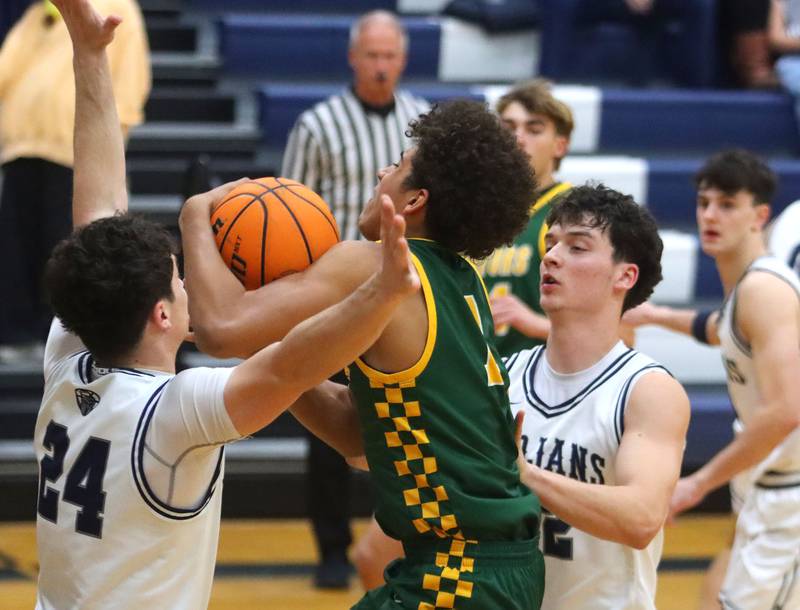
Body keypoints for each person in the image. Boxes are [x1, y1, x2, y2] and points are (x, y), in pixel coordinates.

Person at [34, 1, 419, 608]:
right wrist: (382, 291)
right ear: (162, 316)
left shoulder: (69, 360)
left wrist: (89, 56)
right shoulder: (176, 413)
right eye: (179, 282)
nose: (188, 287)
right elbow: (291, 365)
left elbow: (99, 209)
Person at [180, 100, 545, 609]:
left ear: (415, 199)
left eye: (395, 165)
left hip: (458, 574)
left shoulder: (374, 267)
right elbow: (359, 434)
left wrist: (195, 211)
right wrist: (276, 345)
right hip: (497, 567)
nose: (381, 171)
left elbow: (221, 329)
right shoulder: (464, 284)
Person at [280, 10, 430, 586]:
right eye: (371, 54)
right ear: (352, 57)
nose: (380, 64)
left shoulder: (421, 124)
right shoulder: (318, 125)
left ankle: (403, 531)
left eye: (389, 54)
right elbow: (287, 207)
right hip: (337, 290)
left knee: (397, 419)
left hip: (409, 299)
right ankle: (332, 548)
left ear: (403, 58)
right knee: (332, 421)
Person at [623, 149, 800, 609]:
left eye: (726, 204)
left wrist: (696, 484)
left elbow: (786, 411)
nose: (710, 215)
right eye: (704, 203)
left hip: (791, 495)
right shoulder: (748, 290)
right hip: (769, 487)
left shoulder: (764, 291)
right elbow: (720, 327)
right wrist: (657, 315)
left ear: (759, 215)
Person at [508, 184, 690, 609]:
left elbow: (642, 517)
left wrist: (529, 476)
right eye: (551, 243)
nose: (551, 256)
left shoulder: (647, 390)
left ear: (624, 276)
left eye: (577, 247)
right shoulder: (508, 373)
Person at [0, 0, 149, 364]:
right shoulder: (39, 14)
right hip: (21, 148)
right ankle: (16, 335)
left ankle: (62, 340)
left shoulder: (119, 7)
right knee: (15, 246)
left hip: (74, 152)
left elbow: (131, 75)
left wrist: (116, 133)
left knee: (63, 246)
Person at [480, 79, 574, 354]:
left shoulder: (572, 212)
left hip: (540, 381)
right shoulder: (474, 209)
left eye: (534, 129)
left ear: (560, 146)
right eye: (509, 128)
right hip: (477, 379)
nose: (518, 137)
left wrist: (533, 323)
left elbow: (622, 334)